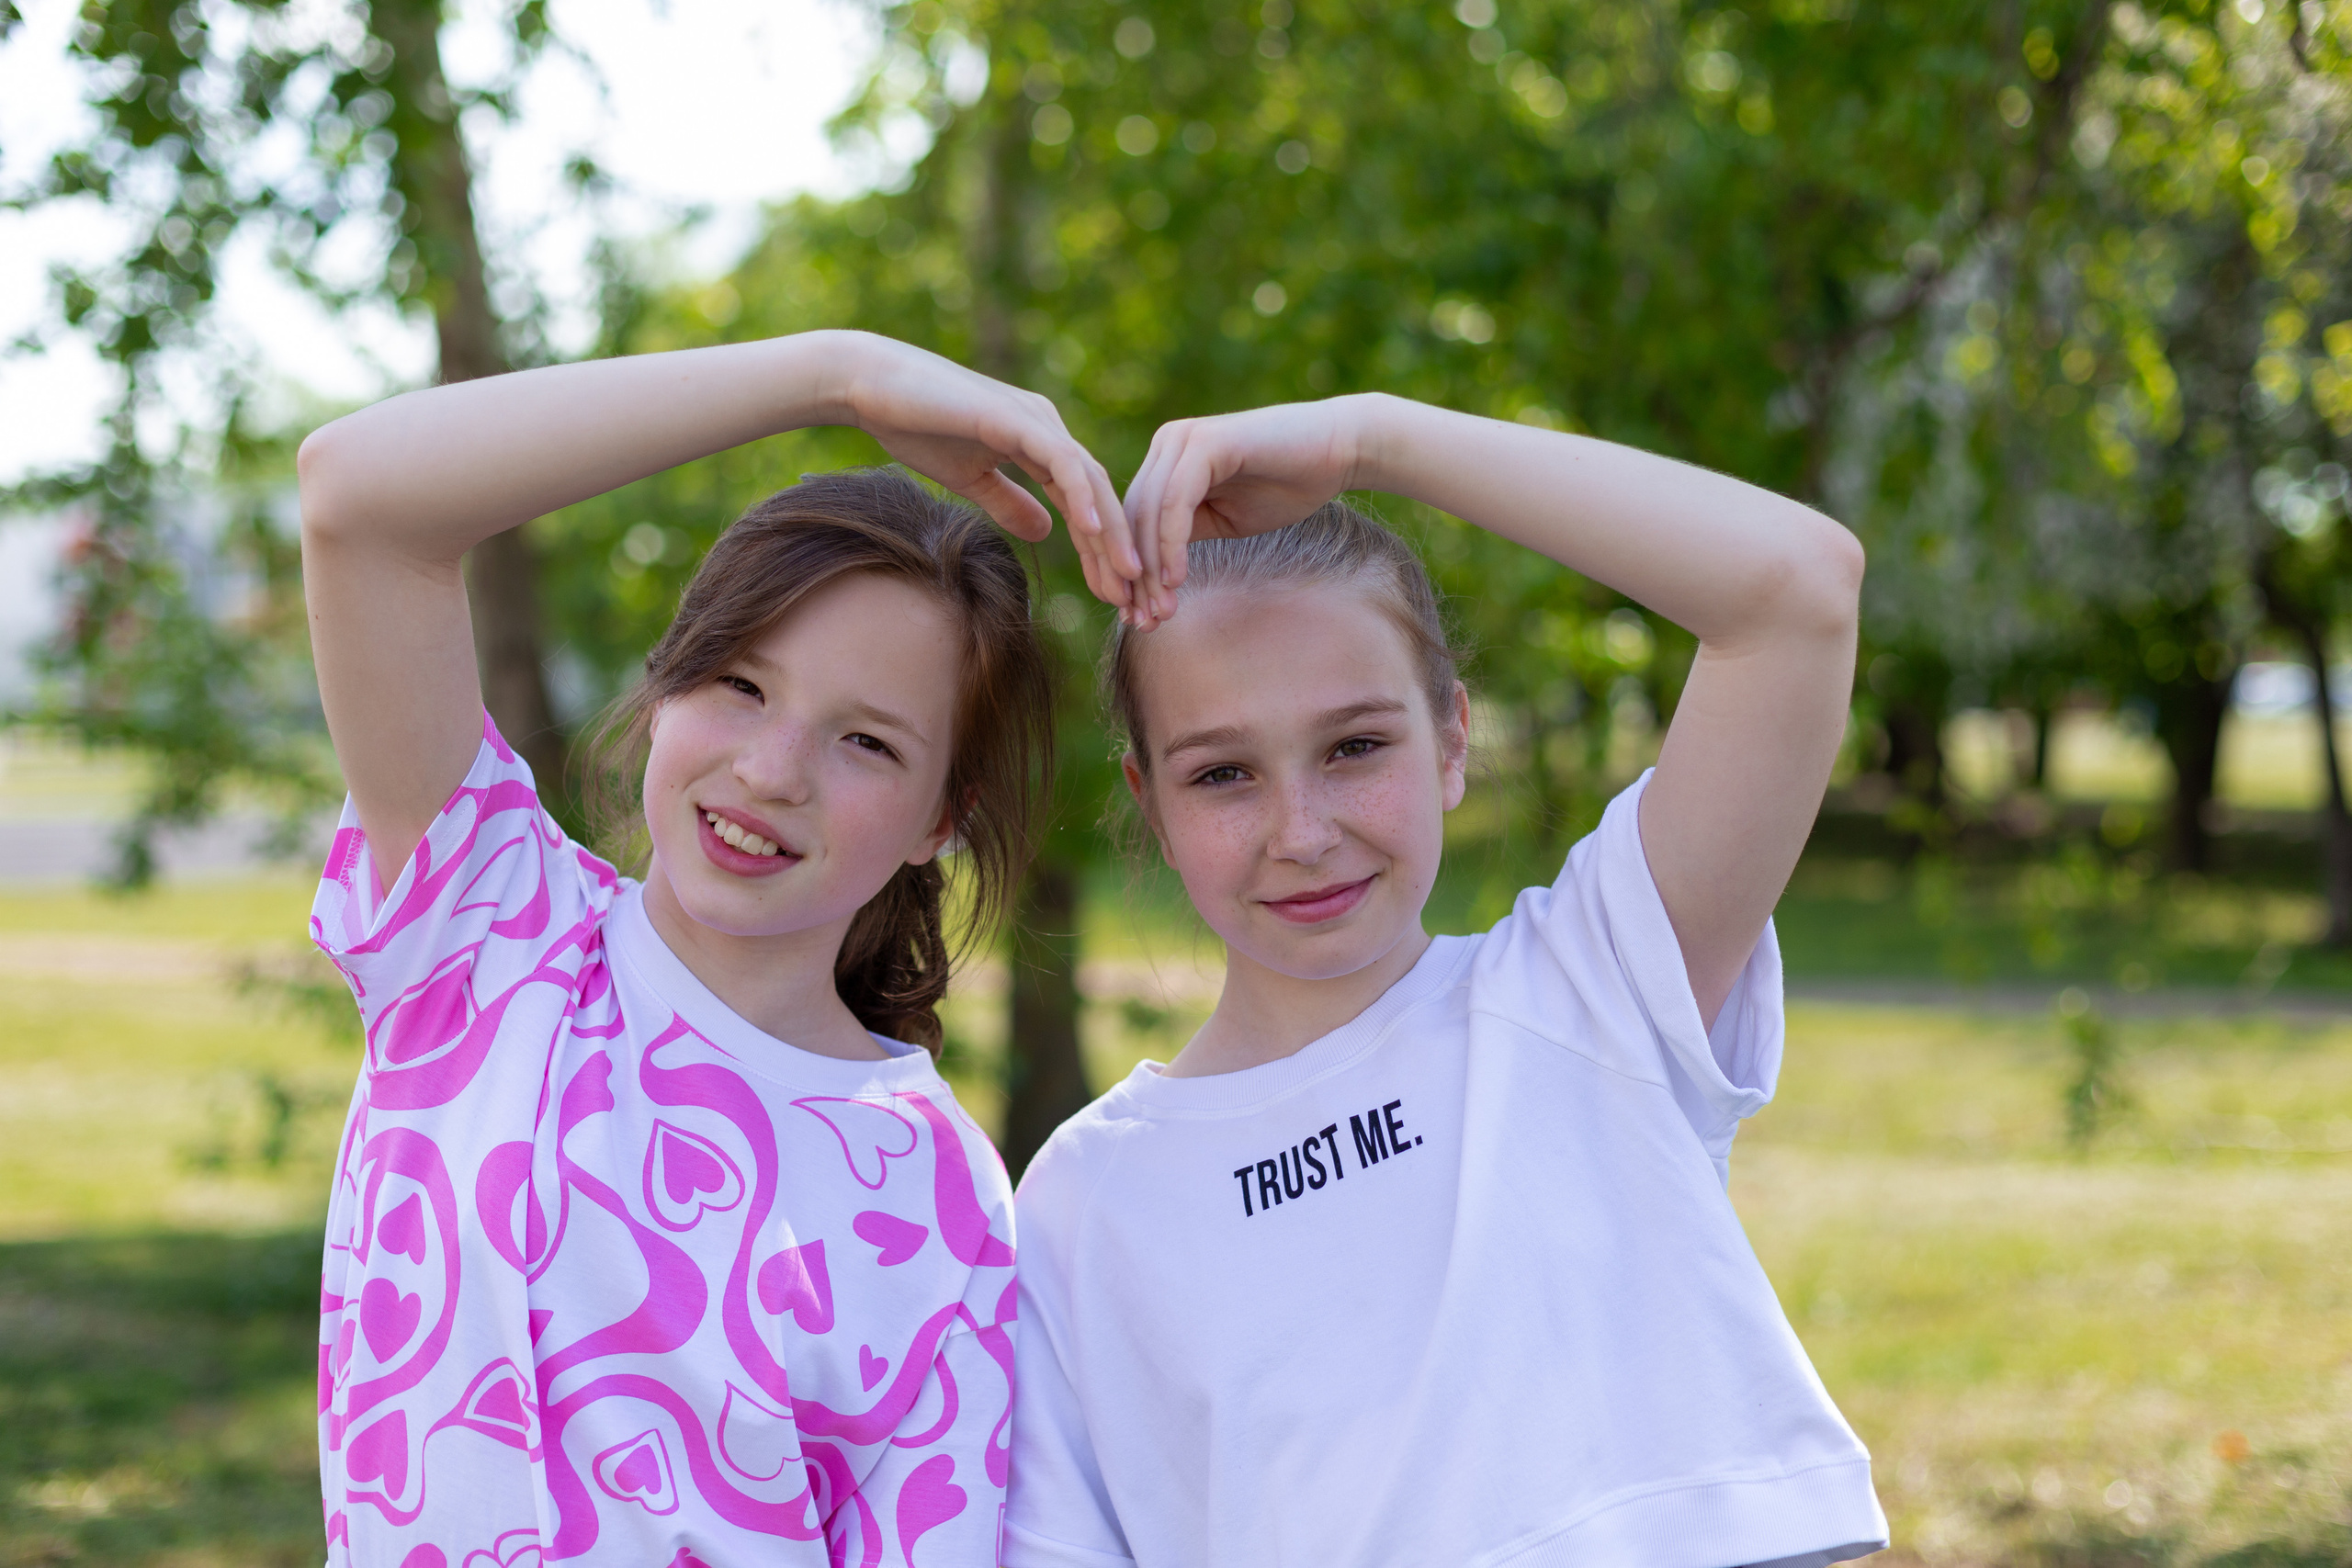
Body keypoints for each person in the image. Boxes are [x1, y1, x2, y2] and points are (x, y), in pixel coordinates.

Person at [1005, 393, 1892, 1568]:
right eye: (1223, 775)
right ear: (1151, 804)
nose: (1301, 832)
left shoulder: (1592, 987)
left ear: (1452, 740)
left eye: (1354, 747)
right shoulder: (1085, 1203)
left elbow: (1798, 590)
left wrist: (1371, 440)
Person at [298, 331, 1131, 1566]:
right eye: (741, 684)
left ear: (939, 820)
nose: (772, 770)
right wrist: (835, 377)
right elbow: (357, 498)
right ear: (666, 686)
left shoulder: (939, 1194)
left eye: (867, 742)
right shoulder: (491, 927)